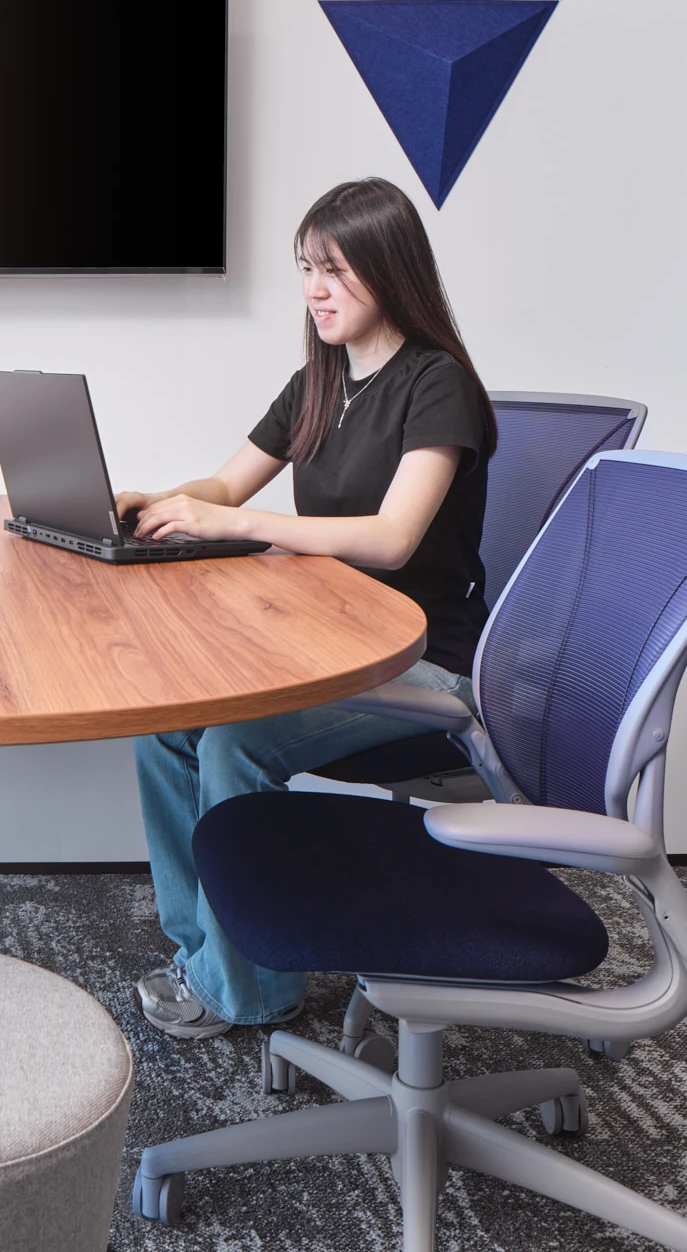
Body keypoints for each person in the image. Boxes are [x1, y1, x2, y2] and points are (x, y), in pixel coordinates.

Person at [121, 176, 495, 1040]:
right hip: (328, 648)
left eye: (335, 270)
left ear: (389, 270)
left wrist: (245, 523)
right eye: (305, 269)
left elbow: (395, 538)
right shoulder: (318, 381)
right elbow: (225, 483)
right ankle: (206, 952)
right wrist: (154, 499)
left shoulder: (438, 385)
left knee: (235, 741)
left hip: (423, 664)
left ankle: (250, 990)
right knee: (165, 728)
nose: (315, 290)